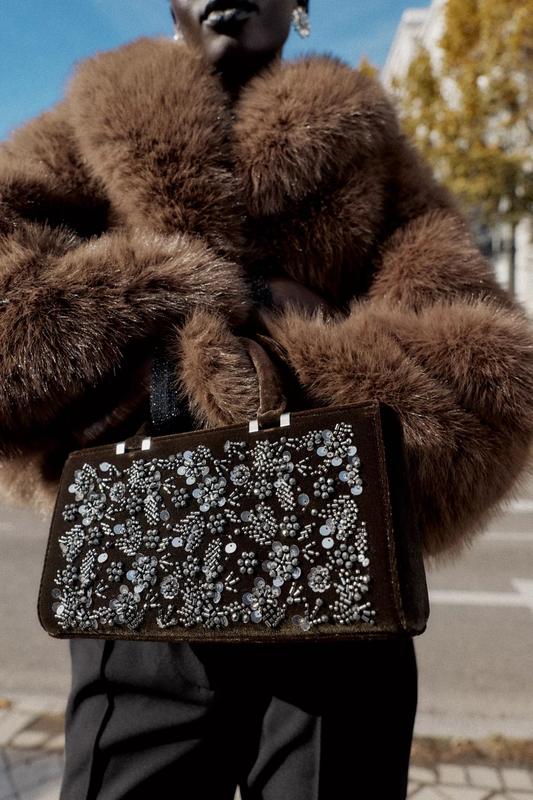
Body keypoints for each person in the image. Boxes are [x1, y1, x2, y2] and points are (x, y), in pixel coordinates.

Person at [1, 1, 532, 797]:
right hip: (146, 555)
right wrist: (182, 309)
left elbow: (487, 373)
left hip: (338, 576)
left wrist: (279, 355)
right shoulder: (81, 125)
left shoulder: (367, 149)